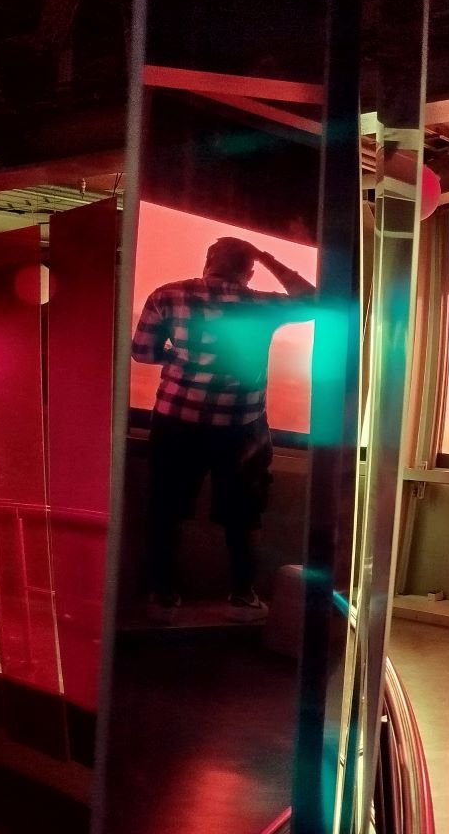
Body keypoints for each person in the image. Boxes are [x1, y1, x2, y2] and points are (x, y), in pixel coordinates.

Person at [132, 235, 316, 623]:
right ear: (248, 271)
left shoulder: (167, 295)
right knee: (242, 514)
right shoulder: (261, 304)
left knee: (166, 510)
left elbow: (142, 352)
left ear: (208, 262)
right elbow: (314, 301)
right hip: (241, 428)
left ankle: (163, 597)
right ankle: (242, 597)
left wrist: (177, 357)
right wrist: (268, 257)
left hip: (175, 422)